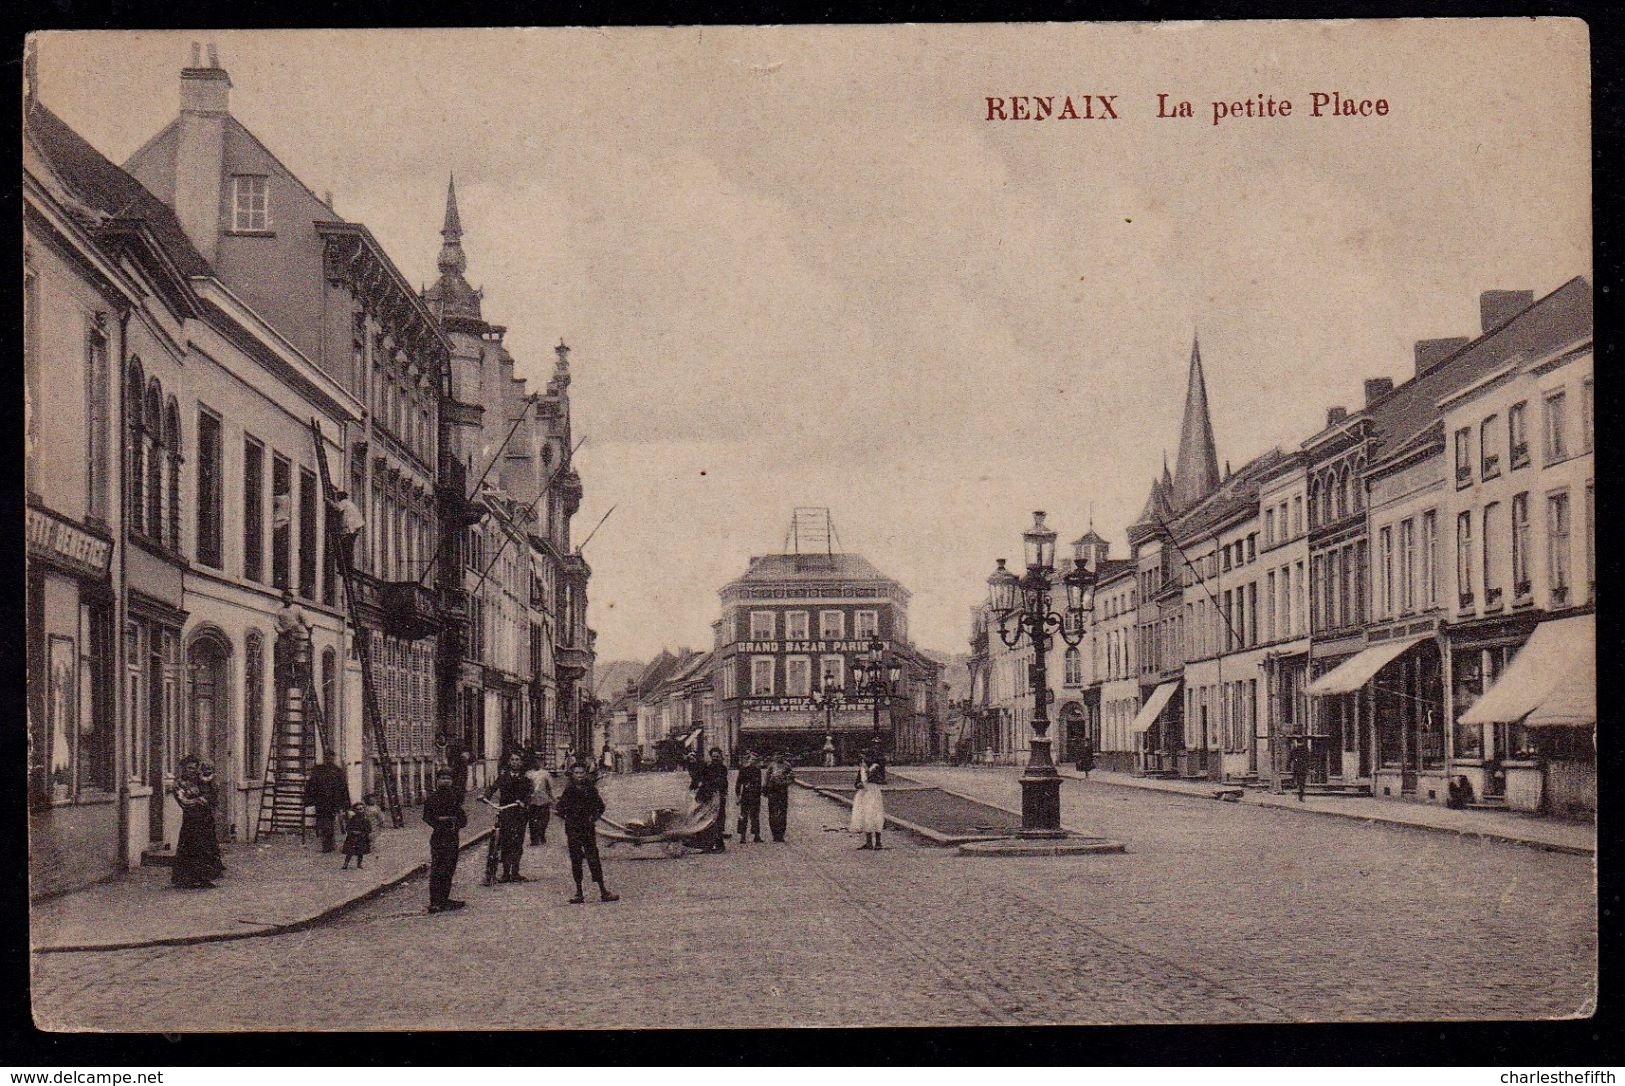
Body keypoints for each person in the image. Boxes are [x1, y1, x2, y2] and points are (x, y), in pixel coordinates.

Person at [554, 763, 619, 904]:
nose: (579, 775)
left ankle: (603, 891)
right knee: (576, 859)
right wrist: (564, 814)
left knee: (593, 858)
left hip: (587, 828)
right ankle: (579, 892)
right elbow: (560, 808)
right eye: (576, 773)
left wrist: (593, 817)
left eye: (582, 773)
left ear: (585, 774)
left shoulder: (591, 790)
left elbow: (600, 807)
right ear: (572, 774)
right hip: (573, 829)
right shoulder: (569, 790)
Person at [483, 752, 534, 883]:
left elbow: (529, 795)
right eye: (512, 760)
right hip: (505, 812)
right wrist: (485, 797)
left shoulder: (526, 780)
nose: (515, 762)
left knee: (517, 843)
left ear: (522, 763)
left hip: (519, 814)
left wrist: (523, 803)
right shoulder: (502, 778)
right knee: (505, 842)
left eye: (518, 760)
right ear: (509, 762)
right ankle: (506, 873)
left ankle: (515, 872)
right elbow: (493, 788)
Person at [422, 768, 467, 913]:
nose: (445, 781)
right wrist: (441, 821)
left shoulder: (455, 797)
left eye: (448, 778)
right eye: (442, 778)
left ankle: (444, 899)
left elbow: (462, 817)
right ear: (437, 780)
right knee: (437, 869)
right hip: (439, 837)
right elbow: (427, 817)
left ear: (452, 781)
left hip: (452, 836)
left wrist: (457, 822)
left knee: (449, 868)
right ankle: (435, 901)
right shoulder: (432, 798)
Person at [171, 767, 216, 889]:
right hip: (190, 821)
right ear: (183, 768)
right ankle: (185, 878)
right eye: (189, 768)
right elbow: (183, 801)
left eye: (194, 768)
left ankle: (204, 877)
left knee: (204, 848)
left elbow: (210, 796)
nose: (192, 771)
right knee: (188, 848)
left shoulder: (198, 782)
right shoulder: (179, 784)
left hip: (203, 820)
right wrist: (198, 800)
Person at [303, 750, 351, 853]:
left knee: (328, 822)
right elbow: (311, 785)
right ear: (324, 758)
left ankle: (328, 845)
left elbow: (343, 787)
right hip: (321, 801)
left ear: (332, 758)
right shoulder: (318, 770)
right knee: (323, 823)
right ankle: (328, 844)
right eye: (326, 757)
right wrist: (309, 800)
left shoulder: (337, 771)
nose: (328, 759)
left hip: (332, 802)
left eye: (330, 757)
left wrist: (345, 803)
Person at [695, 747, 730, 853]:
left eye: (717, 756)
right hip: (709, 798)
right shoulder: (707, 768)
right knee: (707, 822)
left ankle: (720, 846)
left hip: (718, 798)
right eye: (713, 756)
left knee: (717, 822)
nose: (715, 758)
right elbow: (703, 781)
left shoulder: (722, 768)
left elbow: (722, 782)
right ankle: (708, 845)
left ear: (720, 757)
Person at [196, 761, 226, 879]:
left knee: (211, 838)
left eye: (209, 768)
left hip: (209, 810)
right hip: (200, 810)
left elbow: (215, 795)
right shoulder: (199, 779)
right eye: (205, 767)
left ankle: (215, 865)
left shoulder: (214, 780)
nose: (206, 769)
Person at [850, 758, 886, 850]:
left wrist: (871, 775)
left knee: (875, 815)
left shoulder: (876, 768)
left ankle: (878, 842)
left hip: (873, 793)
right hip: (863, 794)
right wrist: (859, 785)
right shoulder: (862, 769)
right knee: (865, 815)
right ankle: (868, 842)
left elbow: (882, 780)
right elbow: (857, 782)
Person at [329, 489, 364, 572]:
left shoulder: (344, 502)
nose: (337, 499)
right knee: (348, 549)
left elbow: (337, 508)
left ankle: (344, 567)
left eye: (337, 497)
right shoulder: (350, 503)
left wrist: (329, 501)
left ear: (340, 497)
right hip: (354, 529)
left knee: (344, 548)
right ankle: (348, 567)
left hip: (350, 529)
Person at [763, 752, 795, 843]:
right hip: (773, 792)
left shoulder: (787, 766)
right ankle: (774, 834)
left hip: (782, 792)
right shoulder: (771, 766)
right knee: (773, 813)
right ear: (774, 756)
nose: (778, 757)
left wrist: (786, 783)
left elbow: (792, 777)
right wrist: (765, 789)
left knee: (782, 813)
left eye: (781, 755)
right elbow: (766, 778)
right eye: (776, 755)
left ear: (783, 756)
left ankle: (781, 835)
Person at [525, 754, 555, 846]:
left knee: (544, 820)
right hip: (532, 801)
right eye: (535, 761)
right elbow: (525, 788)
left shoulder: (545, 774)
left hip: (544, 800)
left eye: (539, 761)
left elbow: (550, 787)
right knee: (532, 821)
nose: (537, 763)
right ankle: (534, 839)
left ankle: (541, 834)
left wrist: (552, 798)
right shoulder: (528, 774)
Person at [735, 752, 764, 844]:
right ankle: (742, 836)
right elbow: (738, 784)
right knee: (743, 816)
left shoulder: (757, 771)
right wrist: (738, 796)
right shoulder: (743, 770)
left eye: (755, 760)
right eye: (752, 759)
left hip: (755, 796)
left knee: (755, 816)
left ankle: (756, 835)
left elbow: (759, 784)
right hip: (746, 796)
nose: (753, 761)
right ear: (748, 760)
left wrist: (759, 794)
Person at [341, 801, 372, 869]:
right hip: (352, 837)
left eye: (361, 809)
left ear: (364, 809)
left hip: (361, 837)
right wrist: (352, 832)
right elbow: (348, 828)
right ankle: (346, 863)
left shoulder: (366, 820)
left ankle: (359, 864)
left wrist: (362, 833)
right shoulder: (352, 819)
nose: (360, 811)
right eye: (358, 809)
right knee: (350, 851)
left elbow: (369, 829)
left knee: (360, 852)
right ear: (355, 810)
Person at [1288, 737, 1310, 803]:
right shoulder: (1306, 749)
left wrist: (1289, 765)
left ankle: (1299, 794)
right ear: (1303, 742)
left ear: (1297, 742)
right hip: (1303, 767)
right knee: (1302, 782)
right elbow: (1308, 758)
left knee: (1298, 781)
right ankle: (1301, 795)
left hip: (1297, 767)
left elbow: (1290, 758)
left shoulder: (1295, 749)